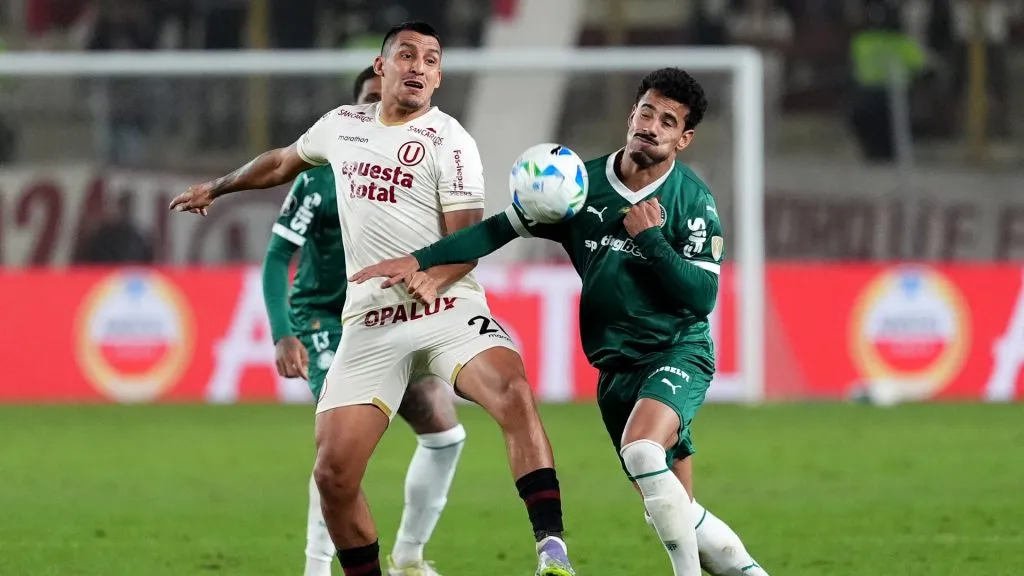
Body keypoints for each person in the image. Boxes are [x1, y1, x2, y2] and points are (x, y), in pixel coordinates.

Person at [169, 21, 576, 576]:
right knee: (333, 474)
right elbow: (281, 162)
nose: (419, 66)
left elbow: (468, 239)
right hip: (370, 322)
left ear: (438, 77)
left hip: (445, 308)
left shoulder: (451, 141)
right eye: (407, 55)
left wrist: (433, 272)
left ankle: (551, 550)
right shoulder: (342, 125)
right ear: (382, 67)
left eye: (431, 59)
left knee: (512, 392)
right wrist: (217, 187)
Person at [352, 67, 770, 576]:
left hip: (677, 351)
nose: (652, 126)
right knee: (673, 512)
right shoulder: (576, 186)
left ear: (683, 139)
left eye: (668, 121)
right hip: (615, 369)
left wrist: (652, 240)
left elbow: (702, 297)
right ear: (631, 114)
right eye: (647, 112)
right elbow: (495, 231)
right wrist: (420, 259)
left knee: (642, 452)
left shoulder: (692, 200)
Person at [262, 66, 464, 576]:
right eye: (371, 98)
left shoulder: (423, 168)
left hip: (389, 318)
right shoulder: (317, 178)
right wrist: (283, 333)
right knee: (340, 454)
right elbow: (277, 256)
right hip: (326, 321)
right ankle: (315, 569)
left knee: (445, 433)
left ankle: (409, 558)